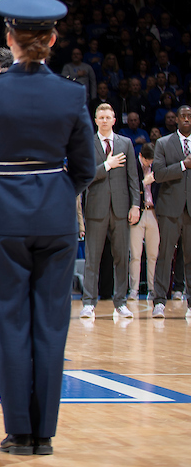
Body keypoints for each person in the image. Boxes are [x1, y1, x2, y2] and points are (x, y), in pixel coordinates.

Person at [0, 0, 96, 456]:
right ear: (53, 40)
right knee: (51, 325)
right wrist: (56, 194)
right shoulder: (72, 92)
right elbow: (87, 164)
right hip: (55, 215)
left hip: (3, 217)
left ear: (9, 38)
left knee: (11, 323)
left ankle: (19, 431)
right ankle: (45, 433)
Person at [80, 103, 140, 319]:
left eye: (108, 117)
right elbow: (84, 175)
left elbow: (133, 178)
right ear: (95, 120)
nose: (104, 120)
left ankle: (121, 302)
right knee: (93, 258)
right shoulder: (88, 143)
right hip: (96, 208)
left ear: (115, 120)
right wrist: (107, 165)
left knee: (122, 257)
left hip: (121, 208)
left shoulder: (126, 143)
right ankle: (88, 303)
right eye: (101, 117)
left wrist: (135, 205)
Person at [149, 104, 191, 319]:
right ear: (176, 120)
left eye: (189, 116)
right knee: (165, 254)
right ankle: (159, 302)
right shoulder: (164, 143)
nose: (186, 119)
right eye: (182, 116)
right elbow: (158, 173)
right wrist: (183, 165)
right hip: (170, 208)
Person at [130, 144, 160, 301]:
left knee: (153, 255)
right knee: (135, 254)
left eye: (151, 161)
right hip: (138, 212)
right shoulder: (134, 166)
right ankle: (133, 290)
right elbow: (131, 187)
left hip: (153, 212)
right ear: (140, 155)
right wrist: (143, 182)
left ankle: (153, 289)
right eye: (146, 160)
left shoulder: (157, 167)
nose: (149, 163)